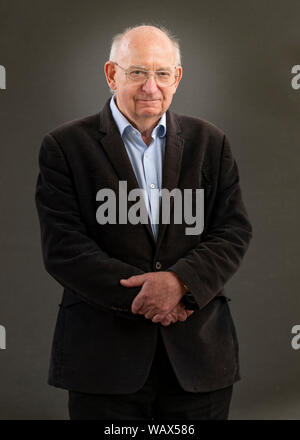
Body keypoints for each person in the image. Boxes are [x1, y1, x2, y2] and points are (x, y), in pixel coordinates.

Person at [35, 24, 252, 420]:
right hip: (104, 362)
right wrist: (147, 298)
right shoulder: (64, 147)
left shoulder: (211, 142)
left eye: (162, 73)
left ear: (177, 78)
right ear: (111, 74)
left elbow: (233, 231)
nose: (150, 86)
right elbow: (64, 248)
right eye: (137, 72)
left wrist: (180, 284)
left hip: (199, 360)